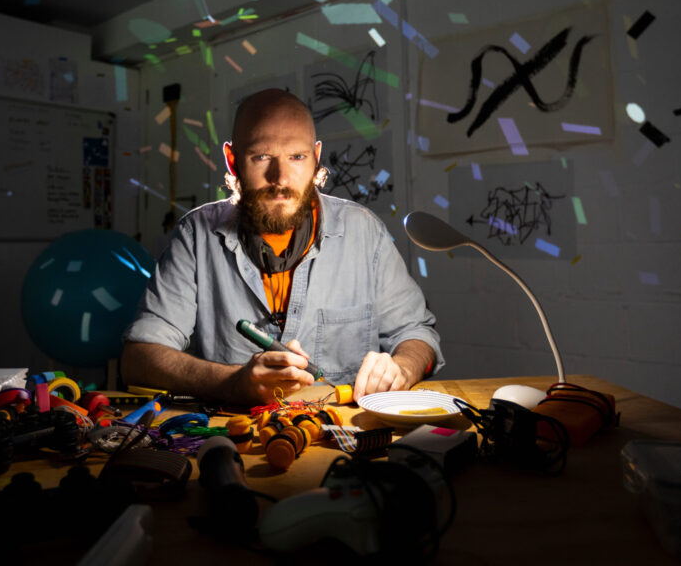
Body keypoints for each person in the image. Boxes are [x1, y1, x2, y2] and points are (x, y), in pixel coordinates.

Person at [121, 89, 442, 405]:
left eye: (297, 157)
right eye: (261, 157)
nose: (280, 178)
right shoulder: (196, 236)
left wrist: (401, 367)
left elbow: (419, 336)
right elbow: (138, 358)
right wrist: (233, 383)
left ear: (316, 158)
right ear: (232, 160)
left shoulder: (364, 231)